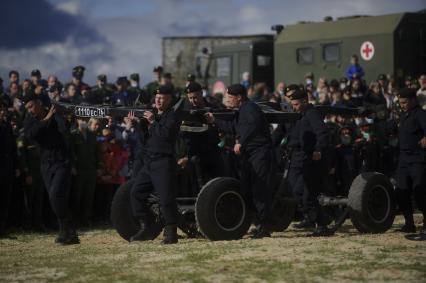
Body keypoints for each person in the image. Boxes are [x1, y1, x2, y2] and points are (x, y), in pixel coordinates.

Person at [205, 84, 275, 239]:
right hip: (250, 155)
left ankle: (265, 226)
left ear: (239, 97)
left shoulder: (250, 109)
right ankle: (259, 223)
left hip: (259, 153)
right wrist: (214, 121)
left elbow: (252, 127)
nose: (228, 100)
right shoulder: (242, 111)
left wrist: (241, 142)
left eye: (230, 97)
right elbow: (233, 128)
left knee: (259, 188)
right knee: (248, 189)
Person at [23, 93, 79, 245]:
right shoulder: (30, 120)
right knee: (54, 200)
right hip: (46, 164)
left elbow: (64, 129)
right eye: (27, 108)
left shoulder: (56, 114)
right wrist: (46, 119)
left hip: (62, 161)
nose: (30, 110)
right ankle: (67, 231)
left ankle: (68, 229)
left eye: (31, 106)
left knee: (56, 194)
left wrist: (56, 114)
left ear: (39, 103)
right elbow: (30, 134)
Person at [129, 84, 182, 244]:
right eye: (157, 97)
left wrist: (152, 122)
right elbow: (145, 140)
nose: (158, 100)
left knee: (166, 198)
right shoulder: (151, 115)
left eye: (162, 98)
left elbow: (165, 135)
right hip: (149, 162)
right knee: (136, 193)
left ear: (169, 99)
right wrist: (137, 125)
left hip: (163, 161)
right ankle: (146, 226)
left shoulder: (172, 116)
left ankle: (171, 232)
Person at [287, 89, 333, 236]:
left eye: (296, 104)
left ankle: (322, 225)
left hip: (313, 159)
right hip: (303, 158)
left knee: (309, 194)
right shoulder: (302, 115)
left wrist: (318, 149)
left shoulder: (312, 114)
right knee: (298, 191)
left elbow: (322, 132)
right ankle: (318, 220)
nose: (294, 107)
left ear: (305, 101)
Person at [181, 82, 224, 189]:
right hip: (195, 153)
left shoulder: (213, 108)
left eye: (195, 97)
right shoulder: (186, 112)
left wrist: (214, 122)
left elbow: (222, 128)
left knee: (216, 184)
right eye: (190, 98)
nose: (192, 101)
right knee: (197, 187)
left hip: (213, 152)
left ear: (201, 93)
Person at [395, 88, 426, 234]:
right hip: (403, 159)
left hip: (417, 158)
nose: (402, 105)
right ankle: (409, 223)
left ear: (413, 100)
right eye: (400, 103)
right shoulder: (403, 115)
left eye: (405, 102)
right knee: (401, 190)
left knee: (419, 190)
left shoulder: (420, 114)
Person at [0, 100, 17, 238]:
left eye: (3, 110)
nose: (2, 112)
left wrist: (15, 166)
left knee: (5, 199)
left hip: (7, 166)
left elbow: (13, 148)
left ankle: (2, 229)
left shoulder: (6, 126)